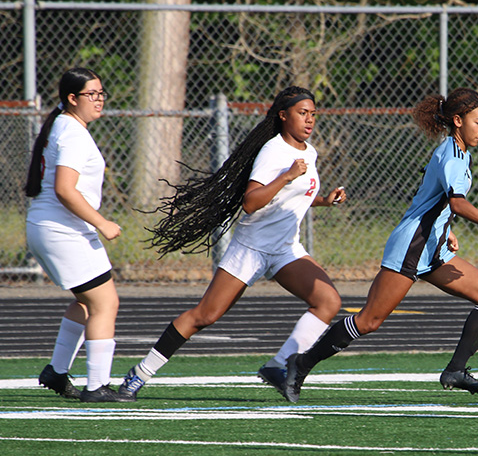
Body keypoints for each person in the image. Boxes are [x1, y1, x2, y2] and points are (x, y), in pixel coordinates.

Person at [282, 87, 478, 402]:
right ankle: (299, 365)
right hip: (412, 246)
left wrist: (445, 230)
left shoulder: (459, 151)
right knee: (369, 320)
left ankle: (455, 370)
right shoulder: (451, 154)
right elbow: (457, 203)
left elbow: (435, 201)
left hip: (433, 247)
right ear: (457, 120)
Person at [118, 86, 346, 399]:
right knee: (205, 315)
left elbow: (295, 198)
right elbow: (251, 202)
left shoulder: (309, 152)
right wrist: (286, 176)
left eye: (313, 114)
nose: (309, 120)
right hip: (251, 249)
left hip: (285, 249)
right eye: (302, 113)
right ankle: (139, 375)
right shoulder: (274, 152)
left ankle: (278, 366)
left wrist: (323, 200)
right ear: (283, 115)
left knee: (329, 301)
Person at [25, 67, 132, 402]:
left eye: (101, 93)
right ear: (72, 98)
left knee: (86, 303)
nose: (99, 100)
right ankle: (96, 386)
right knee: (105, 303)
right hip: (62, 230)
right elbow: (64, 190)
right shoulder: (72, 131)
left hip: (50, 228)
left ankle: (57, 372)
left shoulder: (64, 125)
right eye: (91, 94)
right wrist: (102, 222)